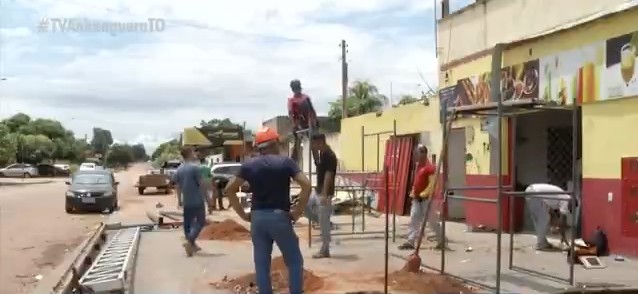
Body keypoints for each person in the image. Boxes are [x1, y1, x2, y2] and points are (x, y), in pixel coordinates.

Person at [224, 127, 312, 294]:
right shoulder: (285, 162)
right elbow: (306, 185)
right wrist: (298, 212)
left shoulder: (249, 165)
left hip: (257, 218)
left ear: (259, 147)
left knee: (262, 264)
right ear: (276, 143)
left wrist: (243, 214)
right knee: (294, 261)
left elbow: (230, 189)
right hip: (279, 217)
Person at [398, 144, 445, 250]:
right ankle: (411, 241)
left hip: (426, 200)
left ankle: (441, 240)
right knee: (414, 220)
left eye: (417, 153)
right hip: (417, 199)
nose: (415, 155)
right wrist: (414, 192)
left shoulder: (430, 168)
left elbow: (432, 184)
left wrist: (423, 194)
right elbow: (417, 182)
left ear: (423, 153)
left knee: (432, 221)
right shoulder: (418, 167)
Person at [304, 133, 338, 259]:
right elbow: (318, 165)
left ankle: (325, 250)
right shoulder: (322, 154)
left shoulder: (330, 156)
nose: (313, 146)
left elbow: (328, 175)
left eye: (314, 144)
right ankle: (326, 224)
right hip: (317, 191)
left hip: (325, 193)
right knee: (306, 208)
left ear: (320, 142)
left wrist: (324, 194)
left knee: (323, 222)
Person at [173, 146, 208, 257]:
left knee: (188, 224)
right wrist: (208, 198)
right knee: (200, 222)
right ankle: (190, 241)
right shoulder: (195, 168)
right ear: (189, 154)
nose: (195, 154)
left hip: (186, 201)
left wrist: (179, 200)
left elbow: (177, 186)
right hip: (197, 200)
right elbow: (202, 184)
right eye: (193, 152)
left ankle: (191, 244)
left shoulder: (179, 169)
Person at [523, 183, 572, 250]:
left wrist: (555, 227)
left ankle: (543, 242)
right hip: (535, 193)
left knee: (538, 220)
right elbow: (562, 221)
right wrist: (562, 235)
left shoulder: (561, 198)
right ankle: (541, 244)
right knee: (544, 218)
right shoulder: (566, 201)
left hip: (531, 191)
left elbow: (553, 215)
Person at [287, 79, 319, 165]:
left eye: (298, 88)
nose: (297, 90)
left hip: (309, 124)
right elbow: (291, 114)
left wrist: (315, 121)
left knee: (314, 144)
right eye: (295, 88)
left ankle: (318, 162)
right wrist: (294, 126)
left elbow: (312, 110)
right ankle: (292, 164)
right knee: (297, 145)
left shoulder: (306, 98)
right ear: (293, 89)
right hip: (299, 125)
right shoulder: (291, 100)